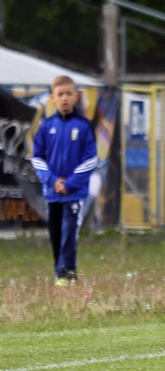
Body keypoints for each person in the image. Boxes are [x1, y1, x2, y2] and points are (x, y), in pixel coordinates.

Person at [30, 75, 98, 286]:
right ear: (53, 98)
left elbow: (91, 159)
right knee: (55, 234)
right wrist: (52, 181)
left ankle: (63, 274)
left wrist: (69, 184)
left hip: (73, 192)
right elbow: (37, 158)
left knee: (69, 233)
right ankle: (67, 272)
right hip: (53, 192)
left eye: (69, 94)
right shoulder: (46, 126)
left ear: (76, 96)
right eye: (60, 94)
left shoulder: (84, 126)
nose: (65, 98)